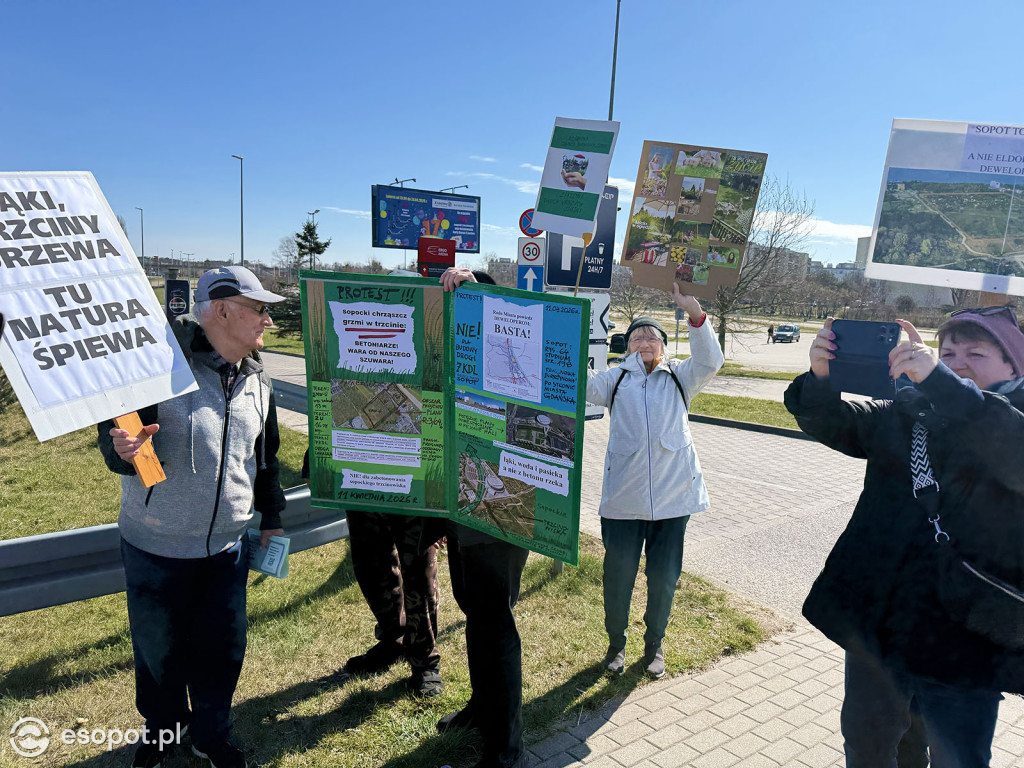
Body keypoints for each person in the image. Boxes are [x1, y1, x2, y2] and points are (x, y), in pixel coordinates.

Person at [784, 307, 1024, 766]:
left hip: (965, 640)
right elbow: (836, 423)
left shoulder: (1011, 421)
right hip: (883, 628)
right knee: (868, 744)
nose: (958, 361)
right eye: (948, 351)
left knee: (959, 757)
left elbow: (1004, 443)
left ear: (1015, 367)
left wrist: (941, 383)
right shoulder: (909, 410)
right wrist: (820, 377)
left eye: (977, 353)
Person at [98, 266, 287, 768]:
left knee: (222, 653)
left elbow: (264, 457)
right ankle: (162, 733)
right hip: (155, 547)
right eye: (260, 309)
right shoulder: (155, 367)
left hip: (228, 550)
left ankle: (211, 734)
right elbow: (117, 441)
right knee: (159, 657)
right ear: (222, 311)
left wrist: (273, 518)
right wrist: (123, 448)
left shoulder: (258, 376)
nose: (268, 320)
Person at [586, 284, 724, 677]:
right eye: (636, 337)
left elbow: (711, 360)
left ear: (663, 346)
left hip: (673, 501)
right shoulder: (615, 381)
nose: (644, 341)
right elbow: (579, 383)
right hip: (623, 503)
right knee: (618, 577)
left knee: (663, 579)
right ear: (627, 347)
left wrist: (694, 312)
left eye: (651, 336)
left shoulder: (681, 377)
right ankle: (616, 645)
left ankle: (655, 643)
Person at [435, 266, 531, 768]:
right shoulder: (456, 359)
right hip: (460, 506)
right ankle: (481, 707)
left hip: (499, 508)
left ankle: (506, 751)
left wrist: (478, 280)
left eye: (473, 309)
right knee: (475, 610)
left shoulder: (516, 357)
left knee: (494, 623)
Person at [301, 449, 443, 697]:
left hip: (414, 479)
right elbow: (327, 411)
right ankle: (394, 639)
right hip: (360, 478)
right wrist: (312, 463)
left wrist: (443, 498)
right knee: (371, 567)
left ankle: (424, 661)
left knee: (419, 576)